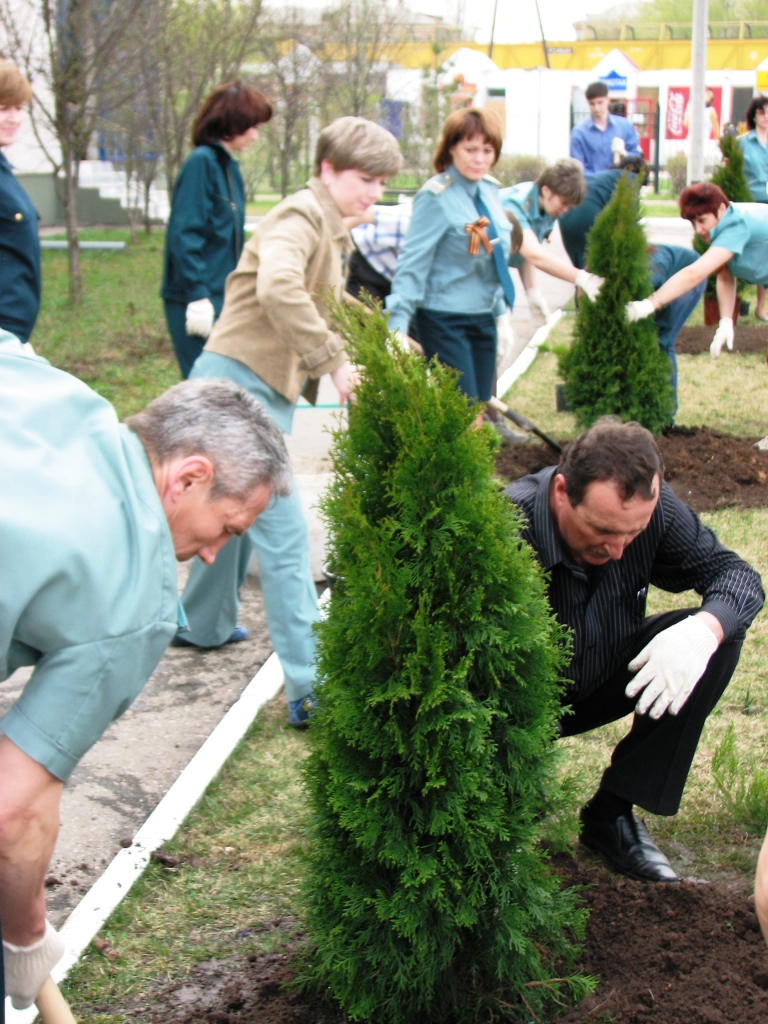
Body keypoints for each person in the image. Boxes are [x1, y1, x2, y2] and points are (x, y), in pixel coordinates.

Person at [0, 334, 291, 1011]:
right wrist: (23, 940)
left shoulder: (43, 382)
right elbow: (14, 811)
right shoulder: (135, 600)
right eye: (228, 524)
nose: (217, 555)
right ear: (187, 477)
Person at [175, 116, 403, 727]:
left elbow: (325, 298)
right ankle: (309, 687)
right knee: (283, 535)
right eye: (365, 179)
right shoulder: (298, 218)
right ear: (327, 169)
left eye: (382, 184)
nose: (373, 193)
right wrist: (335, 363)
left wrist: (380, 337)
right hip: (235, 389)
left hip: (250, 391)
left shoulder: (327, 231)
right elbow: (280, 289)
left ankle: (202, 625)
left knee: (234, 517)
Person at [506, 418, 763, 883]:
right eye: (603, 530)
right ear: (562, 491)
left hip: (603, 673)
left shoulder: (652, 512)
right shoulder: (509, 525)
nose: (621, 549)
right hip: (516, 707)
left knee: (720, 636)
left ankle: (612, 814)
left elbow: (736, 576)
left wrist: (703, 632)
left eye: (634, 531)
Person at [385, 108, 517, 411]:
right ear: (451, 148)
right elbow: (412, 266)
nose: (479, 159)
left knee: (480, 404)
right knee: (462, 410)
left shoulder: (490, 191)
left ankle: (477, 460)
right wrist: (397, 324)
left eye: (487, 150)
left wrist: (501, 315)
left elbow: (491, 261)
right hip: (444, 319)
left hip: (482, 317)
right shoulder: (435, 197)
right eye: (470, 149)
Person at [161, 80, 273, 378]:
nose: (255, 136)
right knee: (204, 389)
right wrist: (197, 296)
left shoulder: (229, 169)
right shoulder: (202, 164)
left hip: (223, 297)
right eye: (251, 126)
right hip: (195, 297)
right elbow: (184, 234)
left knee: (225, 390)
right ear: (232, 122)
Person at [626, 181, 768, 359]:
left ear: (721, 209)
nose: (698, 230)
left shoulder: (736, 225)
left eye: (702, 220)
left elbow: (694, 274)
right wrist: (725, 321)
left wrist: (650, 303)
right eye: (693, 223)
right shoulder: (723, 227)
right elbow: (725, 276)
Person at [499, 159, 603, 319]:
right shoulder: (514, 205)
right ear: (546, 190)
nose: (565, 210)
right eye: (564, 202)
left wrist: (531, 291)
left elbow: (525, 249)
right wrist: (583, 278)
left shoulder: (547, 208)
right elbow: (534, 255)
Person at [0, 59, 41, 344]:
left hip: (12, 334)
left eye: (19, 108)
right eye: (3, 108)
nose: (13, 118)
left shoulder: (4, 169)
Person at [737, 94, 768, 320]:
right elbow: (730, 171)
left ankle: (761, 307)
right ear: (754, 115)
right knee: (742, 251)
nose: (766, 117)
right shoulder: (742, 143)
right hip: (749, 202)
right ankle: (736, 303)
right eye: (761, 112)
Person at [570, 81, 642, 176]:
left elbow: (637, 158)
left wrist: (624, 153)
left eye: (600, 103)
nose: (596, 108)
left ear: (608, 100)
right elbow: (578, 167)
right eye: (592, 104)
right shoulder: (579, 133)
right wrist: (601, 181)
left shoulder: (625, 127)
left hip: (621, 185)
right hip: (592, 186)